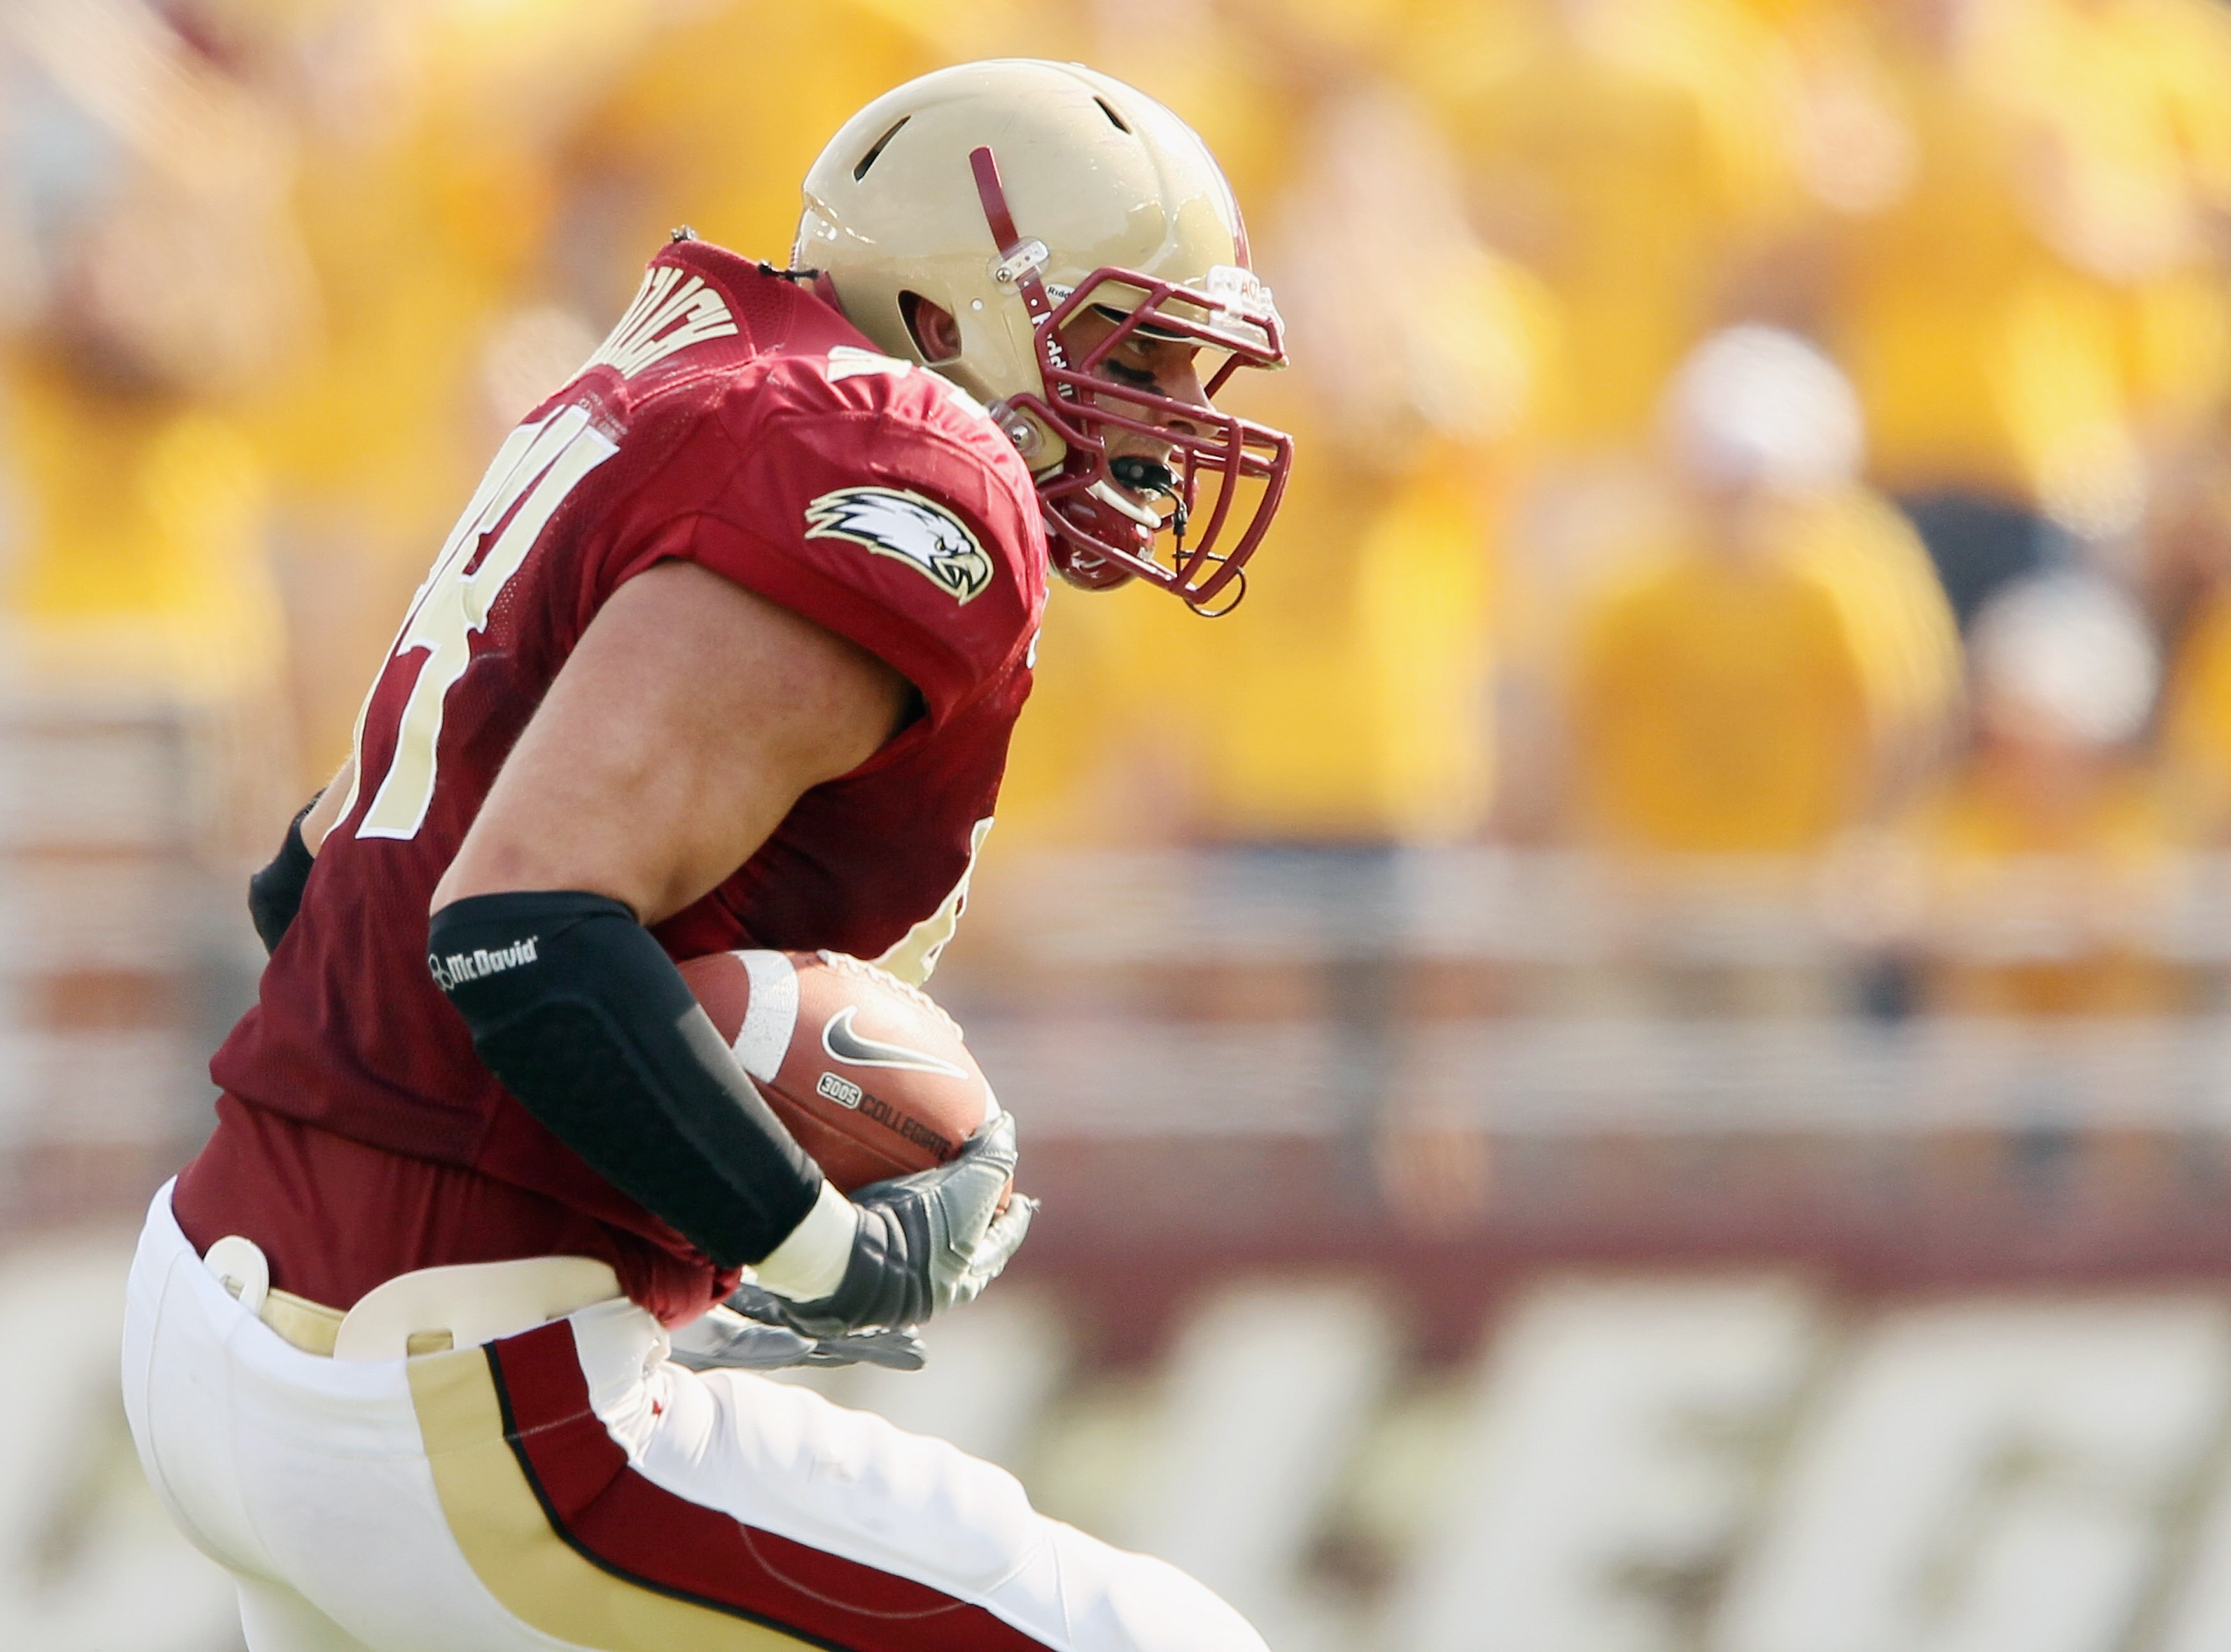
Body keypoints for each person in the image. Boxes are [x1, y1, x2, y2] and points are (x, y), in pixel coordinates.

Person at [120, 60, 1291, 1652]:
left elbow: (314, 883)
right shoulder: (899, 460)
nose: (1167, 420)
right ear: (946, 318)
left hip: (229, 1296)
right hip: (448, 1380)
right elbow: (524, 924)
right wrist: (813, 1245)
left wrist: (637, 1202)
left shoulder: (689, 377)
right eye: (1123, 346)